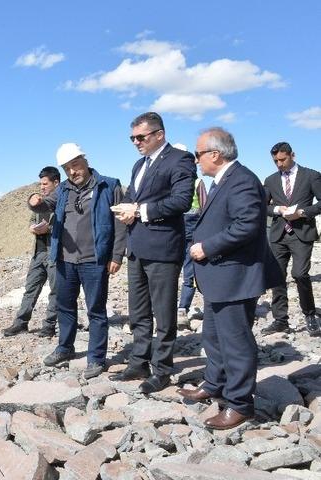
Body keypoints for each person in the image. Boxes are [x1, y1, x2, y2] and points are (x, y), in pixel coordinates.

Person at [177, 127, 284, 430]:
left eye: (198, 154)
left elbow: (248, 225)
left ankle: (239, 404)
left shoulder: (242, 181)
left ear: (215, 154)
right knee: (212, 336)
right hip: (219, 278)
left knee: (235, 341)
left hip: (235, 277)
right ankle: (214, 383)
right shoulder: (222, 181)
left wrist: (206, 246)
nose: (196, 160)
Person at [110, 112, 196, 394]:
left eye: (141, 137)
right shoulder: (139, 165)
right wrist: (125, 209)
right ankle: (139, 361)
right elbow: (133, 196)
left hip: (162, 248)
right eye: (132, 138)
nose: (136, 142)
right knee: (138, 311)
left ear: (160, 134)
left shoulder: (180, 159)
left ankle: (162, 369)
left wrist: (140, 211)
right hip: (137, 246)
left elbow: (182, 201)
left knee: (164, 312)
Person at [34, 143, 126, 380]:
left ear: (85, 160)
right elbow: (46, 204)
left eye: (75, 165)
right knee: (65, 307)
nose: (72, 172)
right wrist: (34, 201)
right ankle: (65, 347)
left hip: (95, 260)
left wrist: (116, 255)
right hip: (65, 260)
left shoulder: (109, 185)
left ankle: (96, 358)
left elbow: (120, 223)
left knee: (95, 310)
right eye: (67, 168)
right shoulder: (63, 189)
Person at [260, 142, 321, 336]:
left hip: (302, 233)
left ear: (292, 155)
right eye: (275, 161)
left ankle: (310, 314)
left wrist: (303, 212)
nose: (279, 164)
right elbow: (261, 205)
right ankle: (280, 320)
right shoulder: (270, 180)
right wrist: (277, 209)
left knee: (300, 274)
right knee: (277, 276)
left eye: (282, 159)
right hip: (279, 233)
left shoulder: (311, 175)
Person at [3, 167, 61, 337]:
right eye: (40, 183)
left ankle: (49, 326)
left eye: (45, 183)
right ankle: (20, 323)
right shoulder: (39, 201)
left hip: (55, 253)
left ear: (56, 183)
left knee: (55, 291)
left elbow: (69, 226)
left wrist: (48, 229)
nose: (42, 187)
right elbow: (32, 220)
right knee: (31, 288)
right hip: (39, 252)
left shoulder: (63, 200)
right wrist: (32, 229)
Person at [178, 176, 208, 328]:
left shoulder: (197, 182)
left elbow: (205, 207)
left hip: (192, 233)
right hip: (173, 232)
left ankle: (182, 308)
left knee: (189, 273)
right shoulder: (169, 180)